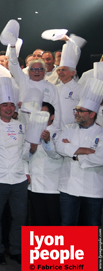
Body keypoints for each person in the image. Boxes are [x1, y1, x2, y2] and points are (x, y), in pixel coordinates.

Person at [0, 77, 33, 265]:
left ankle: (16, 249)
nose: (9, 108)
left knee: (19, 217)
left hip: (19, 179)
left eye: (11, 105)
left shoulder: (21, 126)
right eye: (5, 105)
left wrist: (27, 171)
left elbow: (23, 152)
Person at [54, 78, 103, 226]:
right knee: (68, 224)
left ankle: (93, 250)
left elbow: (101, 158)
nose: (76, 113)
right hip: (68, 187)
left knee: (92, 225)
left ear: (92, 114)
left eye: (81, 111)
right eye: (77, 110)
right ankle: (70, 250)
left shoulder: (100, 132)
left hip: (93, 188)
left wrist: (75, 155)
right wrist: (86, 151)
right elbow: (60, 147)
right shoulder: (68, 128)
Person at [27, 103, 62, 226]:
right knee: (37, 220)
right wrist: (31, 150)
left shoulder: (58, 133)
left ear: (52, 117)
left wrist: (47, 141)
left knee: (54, 221)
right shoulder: (30, 132)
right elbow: (23, 156)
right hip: (35, 185)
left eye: (44, 114)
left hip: (52, 186)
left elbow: (57, 155)